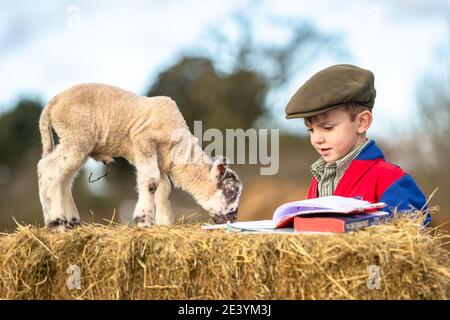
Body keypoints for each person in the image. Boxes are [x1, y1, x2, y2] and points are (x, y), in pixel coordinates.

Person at [285, 64, 430, 225]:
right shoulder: (319, 179)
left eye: (327, 128)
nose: (317, 139)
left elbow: (412, 241)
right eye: (311, 130)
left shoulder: (390, 179)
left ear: (362, 122)